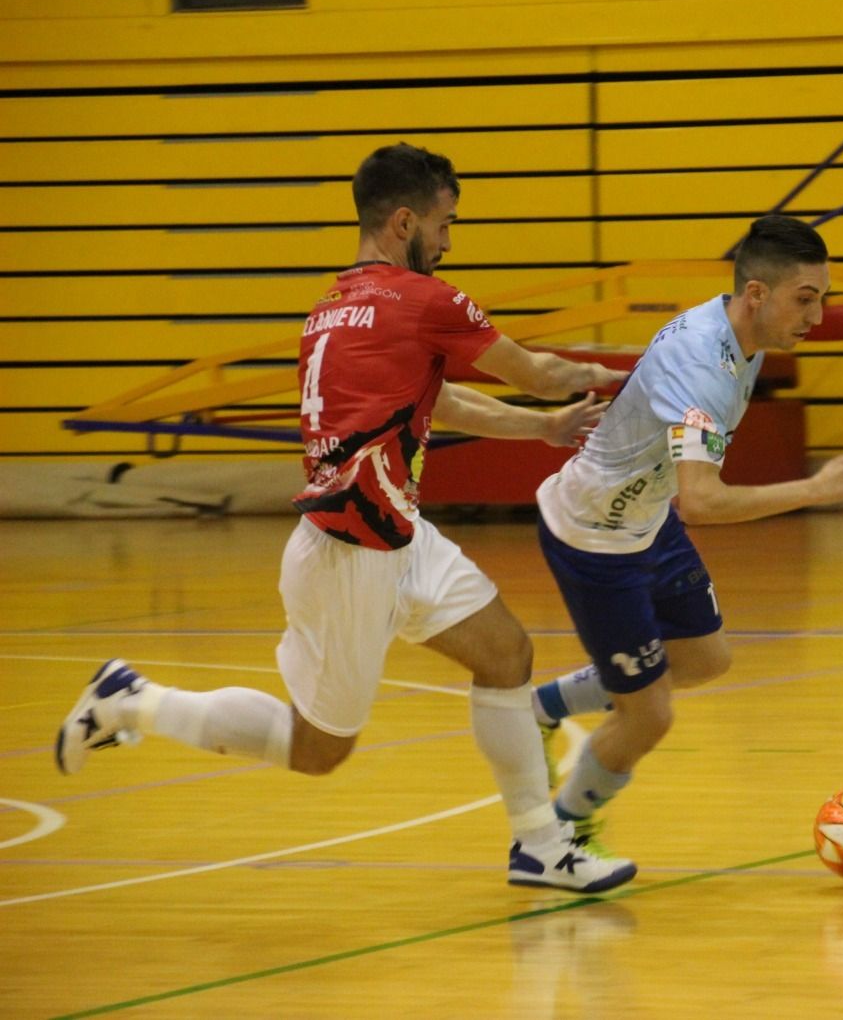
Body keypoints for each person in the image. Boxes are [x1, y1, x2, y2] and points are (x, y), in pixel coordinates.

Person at [54, 143, 637, 894]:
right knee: (318, 748)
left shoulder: (332, 310)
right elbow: (543, 371)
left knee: (505, 654)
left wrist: (542, 430)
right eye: (445, 223)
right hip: (350, 552)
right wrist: (635, 376)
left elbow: (441, 401)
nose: (450, 241)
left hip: (396, 536)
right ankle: (136, 700)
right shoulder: (428, 300)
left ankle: (539, 847)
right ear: (404, 222)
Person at [526, 215, 843, 848]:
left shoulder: (742, 332)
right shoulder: (704, 366)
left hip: (645, 518)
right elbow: (704, 501)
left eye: (822, 299)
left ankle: (544, 708)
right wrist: (816, 490)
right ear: (757, 294)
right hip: (596, 536)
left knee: (703, 657)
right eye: (807, 299)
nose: (818, 317)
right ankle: (560, 837)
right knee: (649, 715)